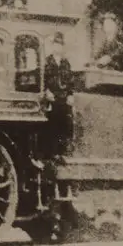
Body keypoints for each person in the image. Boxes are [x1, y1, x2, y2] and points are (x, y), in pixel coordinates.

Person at [43, 32, 75, 161]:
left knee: (64, 125)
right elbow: (43, 79)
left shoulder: (66, 63)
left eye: (60, 45)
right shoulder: (47, 62)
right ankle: (51, 153)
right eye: (56, 44)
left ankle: (61, 154)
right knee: (52, 126)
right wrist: (46, 91)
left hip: (64, 98)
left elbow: (71, 81)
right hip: (52, 98)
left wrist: (71, 95)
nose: (58, 48)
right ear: (52, 46)